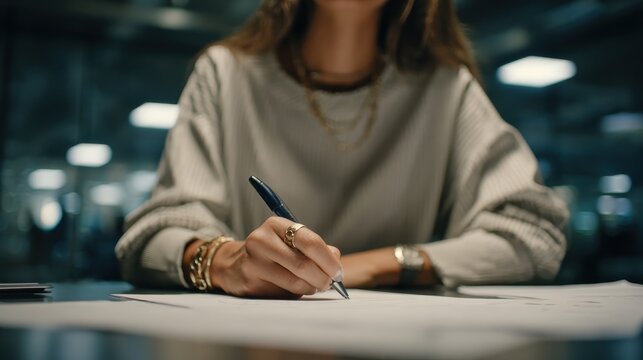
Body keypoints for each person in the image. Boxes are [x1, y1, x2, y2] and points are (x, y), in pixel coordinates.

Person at [115, 0, 569, 298]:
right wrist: (226, 262)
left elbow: (532, 233)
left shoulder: (445, 89)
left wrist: (380, 264)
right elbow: (153, 235)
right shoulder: (226, 75)